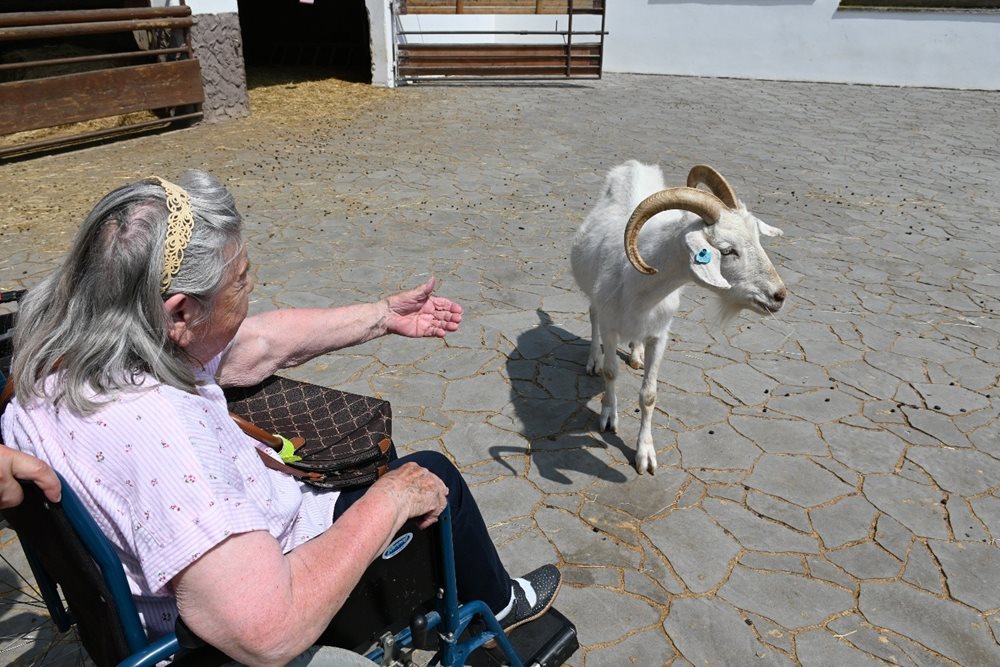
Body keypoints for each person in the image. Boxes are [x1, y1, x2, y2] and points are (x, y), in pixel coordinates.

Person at [0, 172, 561, 666]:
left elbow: (262, 343)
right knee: (433, 476)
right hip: (250, 611)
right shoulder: (168, 435)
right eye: (241, 280)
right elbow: (268, 630)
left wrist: (382, 316)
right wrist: (391, 501)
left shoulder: (58, 357)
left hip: (170, 587)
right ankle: (497, 606)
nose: (251, 288)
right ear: (181, 313)